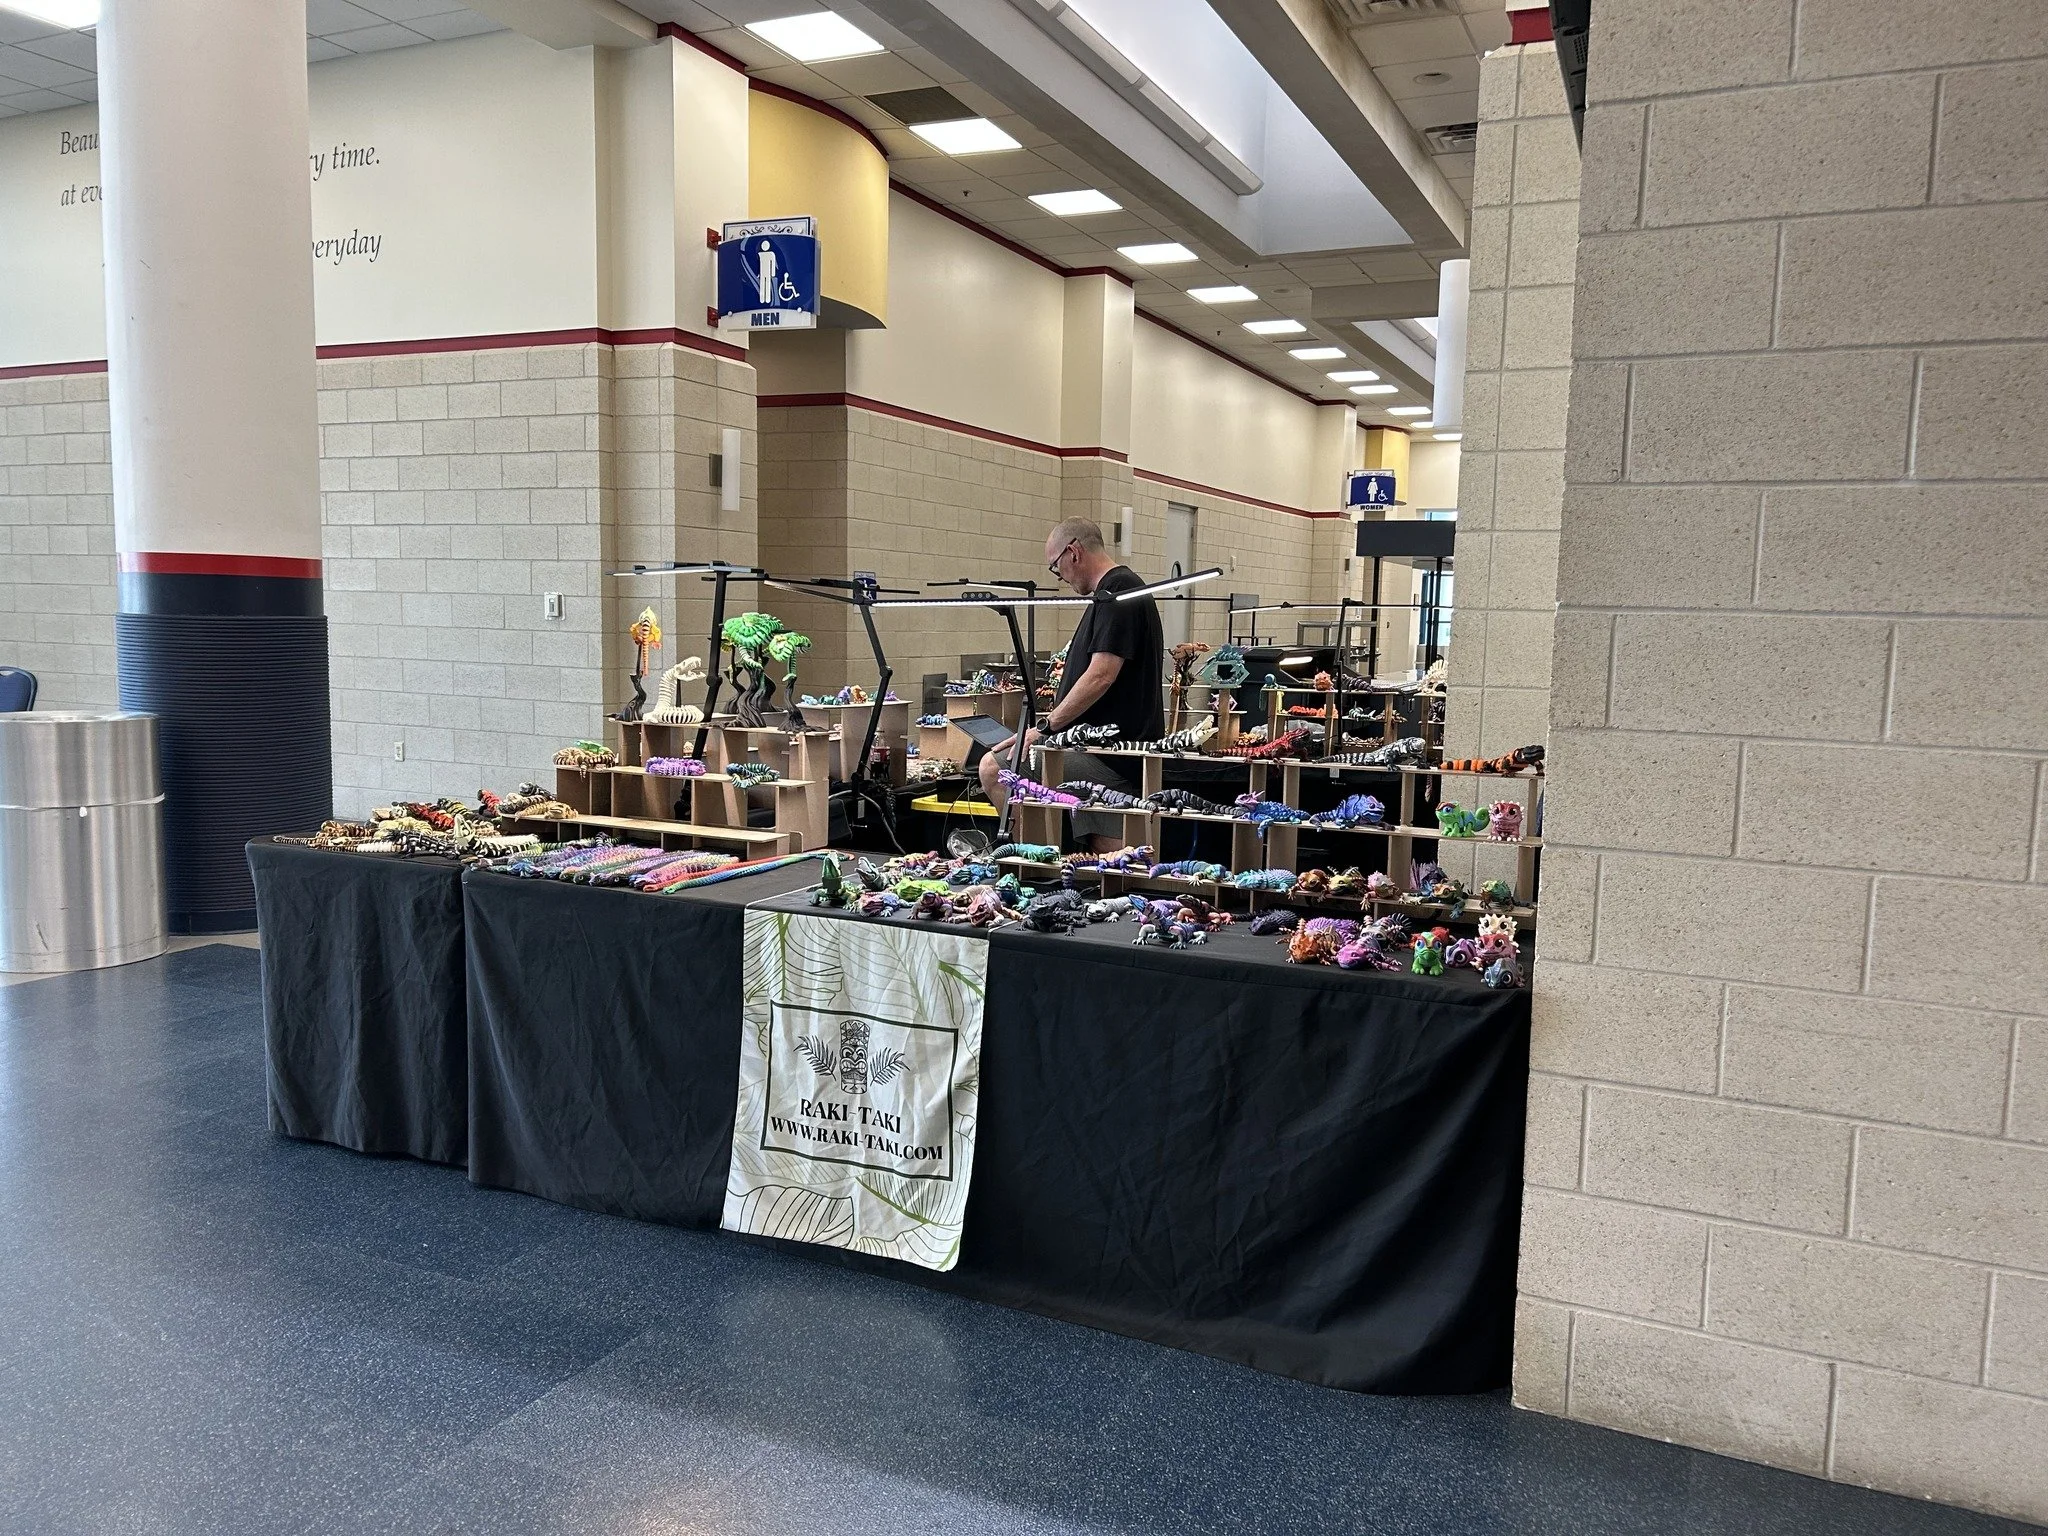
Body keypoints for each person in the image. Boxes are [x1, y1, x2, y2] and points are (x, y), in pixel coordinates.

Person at [980, 518, 1164, 849]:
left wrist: (1046, 727)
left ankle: (1027, 863)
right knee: (1106, 862)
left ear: (1073, 552)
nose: (1061, 577)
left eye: (1056, 567)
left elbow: (1100, 674)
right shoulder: (1118, 591)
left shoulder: (1117, 592)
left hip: (1110, 757)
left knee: (993, 767)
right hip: (1104, 751)